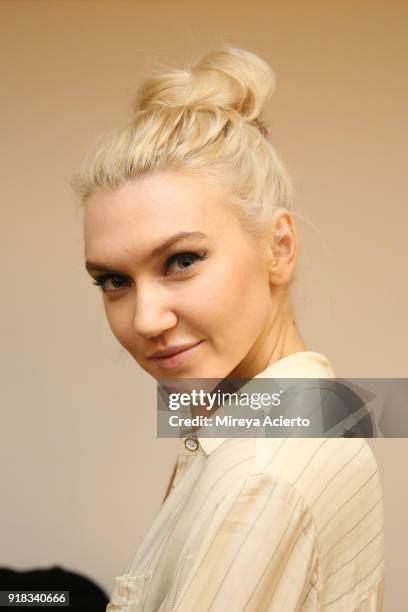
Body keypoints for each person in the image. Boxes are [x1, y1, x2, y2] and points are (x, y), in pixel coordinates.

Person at [72, 45, 384, 611]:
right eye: (113, 280)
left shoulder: (259, 474)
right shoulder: (299, 415)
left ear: (279, 248)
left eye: (182, 261)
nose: (145, 320)